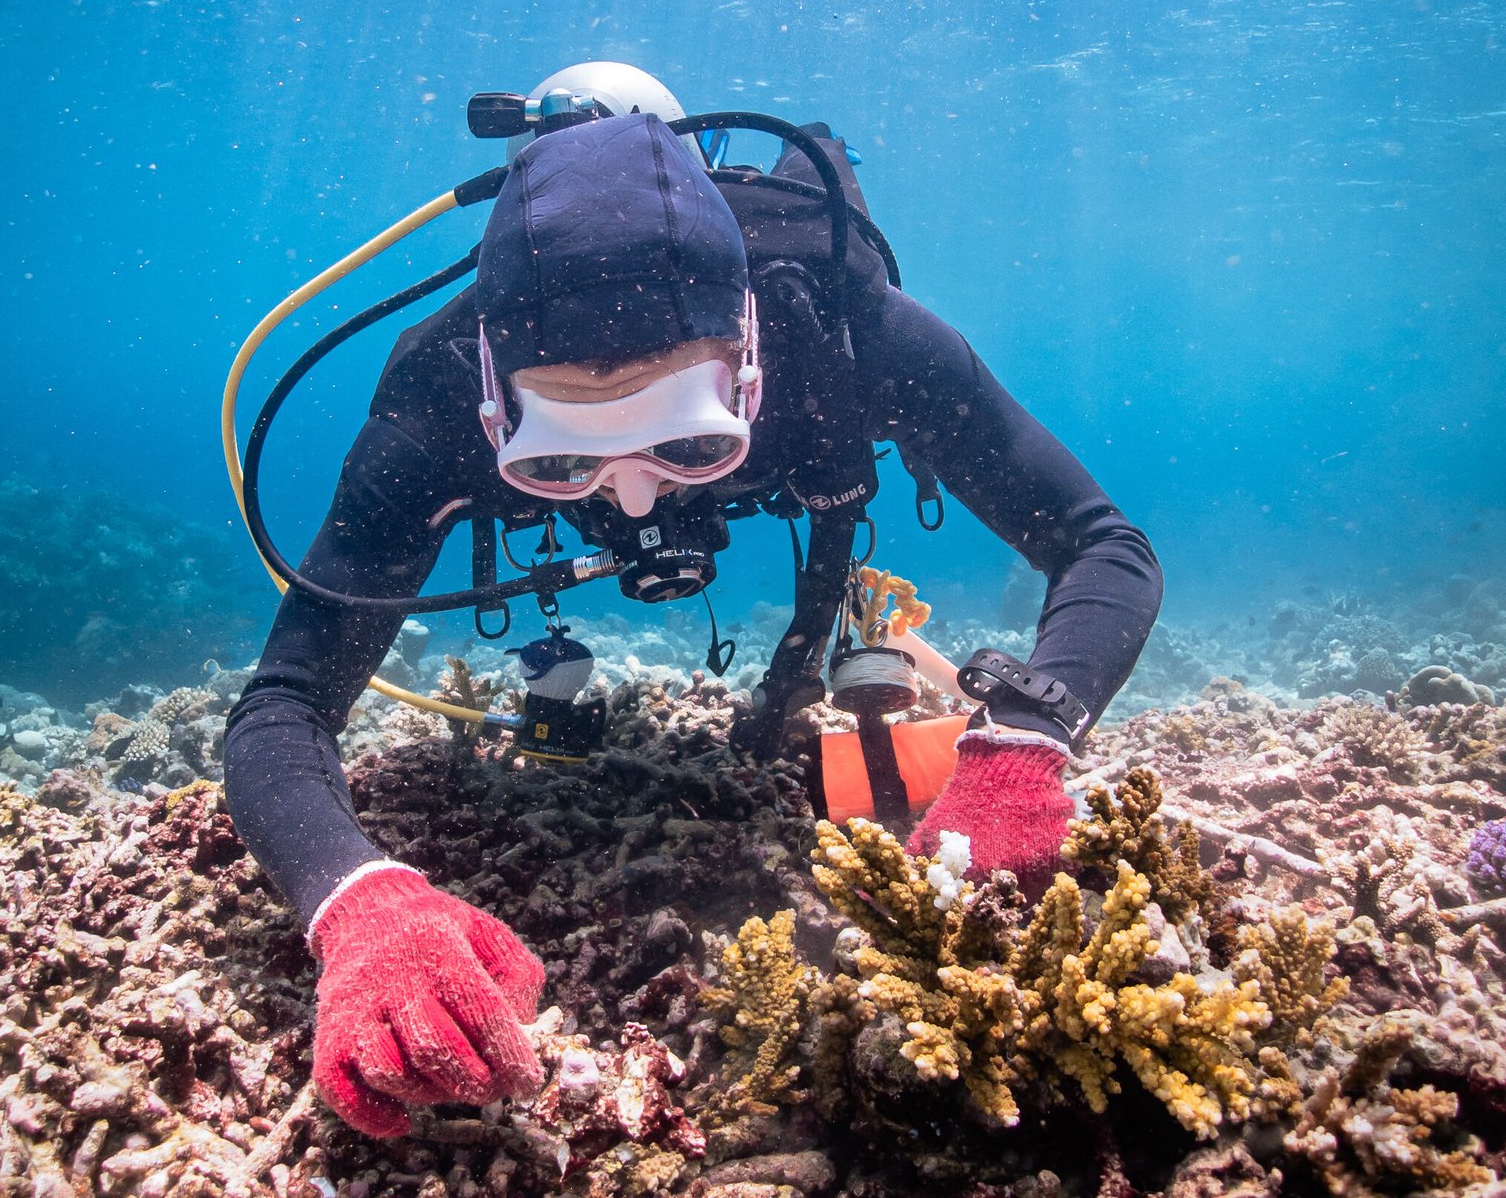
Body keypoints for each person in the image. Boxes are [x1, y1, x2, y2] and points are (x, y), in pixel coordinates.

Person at [224, 64, 1162, 1138]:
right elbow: (284, 703)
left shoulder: (841, 326)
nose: (632, 496)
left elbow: (1100, 545)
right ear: (491, 398)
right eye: (561, 463)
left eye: (688, 445)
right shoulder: (435, 394)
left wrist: (1028, 736)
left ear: (753, 368)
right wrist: (358, 901)